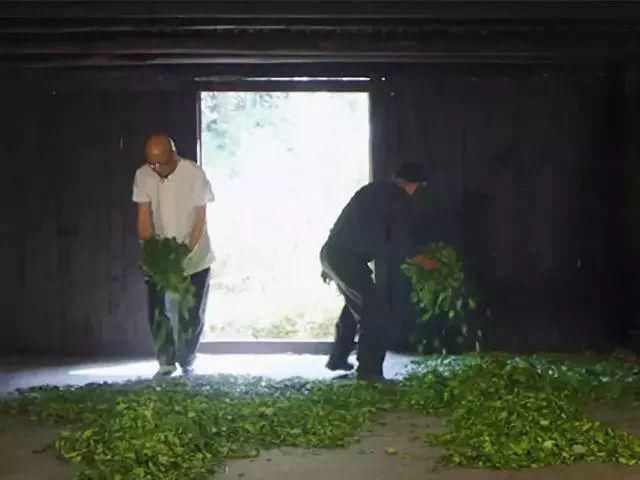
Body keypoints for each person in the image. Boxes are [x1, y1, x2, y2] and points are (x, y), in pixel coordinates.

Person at [321, 162, 438, 381]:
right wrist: (421, 259)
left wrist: (329, 266)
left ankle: (338, 357)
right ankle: (369, 372)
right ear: (414, 185)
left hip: (331, 253)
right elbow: (398, 238)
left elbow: (347, 224)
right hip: (346, 259)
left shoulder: (370, 190)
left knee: (355, 306)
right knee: (375, 315)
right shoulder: (398, 199)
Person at [132, 134, 215, 378]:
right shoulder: (143, 175)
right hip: (160, 256)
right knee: (158, 310)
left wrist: (184, 252)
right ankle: (165, 362)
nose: (156, 168)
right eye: (152, 164)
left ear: (174, 156)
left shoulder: (194, 174)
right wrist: (151, 252)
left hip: (195, 254)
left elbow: (200, 218)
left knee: (191, 312)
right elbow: (144, 217)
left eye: (161, 163)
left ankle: (187, 360)